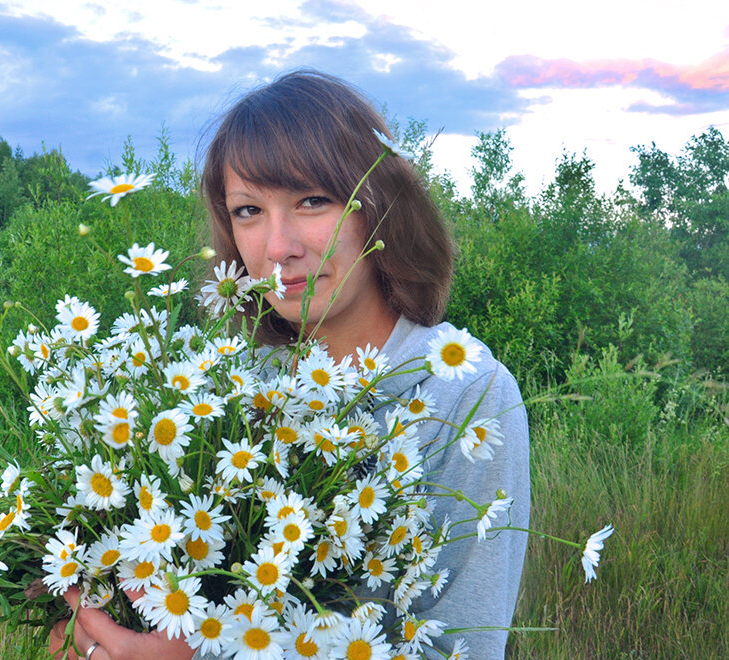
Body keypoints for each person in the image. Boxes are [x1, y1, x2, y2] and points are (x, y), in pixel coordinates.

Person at [50, 69, 529, 660]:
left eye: (311, 200)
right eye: (249, 211)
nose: (278, 247)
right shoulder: (236, 384)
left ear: (379, 208)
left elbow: (461, 651)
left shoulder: (468, 395)